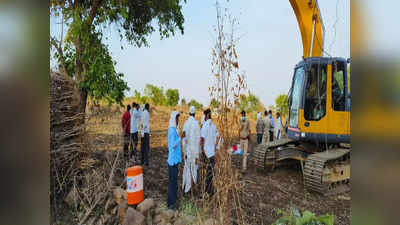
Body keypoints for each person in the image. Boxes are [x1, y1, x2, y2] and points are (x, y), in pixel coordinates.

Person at [167, 111, 185, 210]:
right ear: (174, 119)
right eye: (177, 119)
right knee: (172, 183)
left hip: (175, 160)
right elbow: (172, 145)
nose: (178, 120)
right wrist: (180, 138)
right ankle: (171, 204)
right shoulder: (171, 130)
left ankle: (172, 203)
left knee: (174, 183)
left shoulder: (174, 130)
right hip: (172, 161)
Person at [182, 106, 201, 194]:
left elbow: (183, 139)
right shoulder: (196, 124)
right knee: (194, 170)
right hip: (194, 152)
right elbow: (198, 141)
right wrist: (197, 155)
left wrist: (185, 152)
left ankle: (186, 189)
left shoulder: (185, 124)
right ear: (195, 114)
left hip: (188, 152)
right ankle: (192, 190)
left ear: (189, 113)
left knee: (187, 170)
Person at [200, 108, 219, 196]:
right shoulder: (213, 125)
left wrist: (203, 150)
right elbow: (218, 137)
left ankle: (207, 192)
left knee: (207, 175)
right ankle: (210, 192)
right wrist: (214, 148)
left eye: (204, 115)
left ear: (207, 115)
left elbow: (202, 139)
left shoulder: (205, 125)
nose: (203, 117)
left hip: (207, 154)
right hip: (212, 154)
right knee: (210, 175)